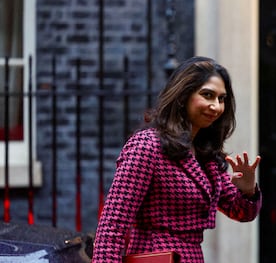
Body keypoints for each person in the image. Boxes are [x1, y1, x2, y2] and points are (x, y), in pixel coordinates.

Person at [92, 56, 262, 263]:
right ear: (183, 96)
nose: (216, 106)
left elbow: (241, 213)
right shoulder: (148, 145)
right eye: (207, 95)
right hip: (153, 256)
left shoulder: (204, 154)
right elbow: (112, 227)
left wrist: (247, 190)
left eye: (221, 98)